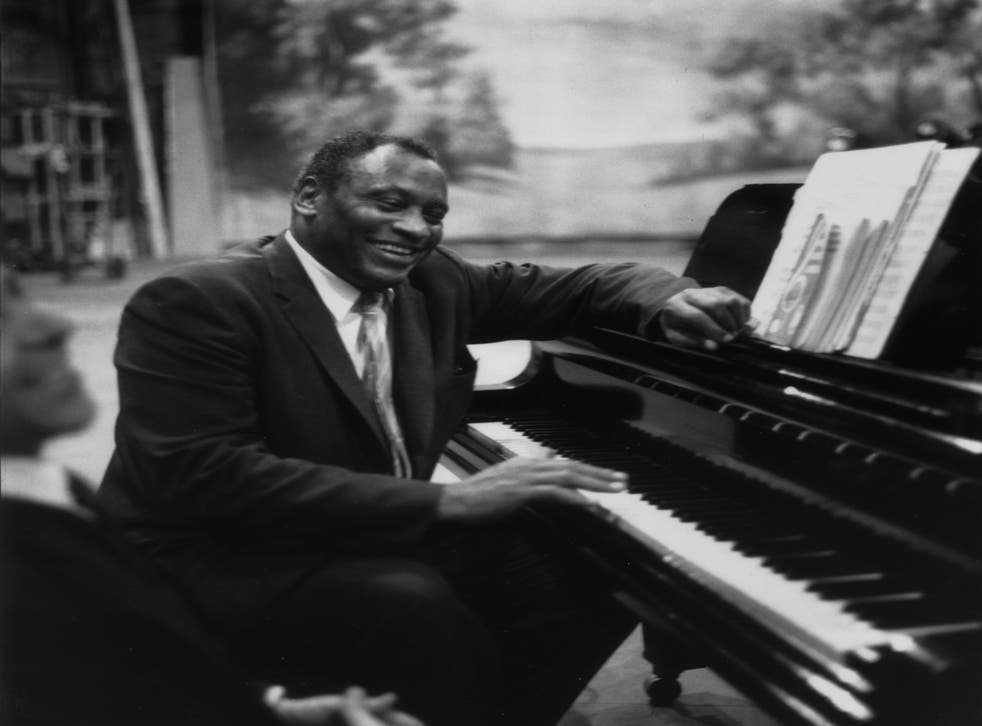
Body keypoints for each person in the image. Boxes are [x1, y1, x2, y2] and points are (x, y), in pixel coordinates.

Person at [97, 130, 752, 725]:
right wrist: (447, 499)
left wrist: (668, 298)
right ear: (307, 197)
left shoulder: (431, 284)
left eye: (433, 214)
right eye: (389, 203)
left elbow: (578, 287)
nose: (414, 229)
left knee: (599, 563)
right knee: (411, 603)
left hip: (354, 523)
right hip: (211, 552)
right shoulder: (199, 302)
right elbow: (202, 475)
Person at [0, 268, 423, 726]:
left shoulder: (44, 487)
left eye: (18, 296)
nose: (53, 325)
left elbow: (110, 677)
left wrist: (276, 712)